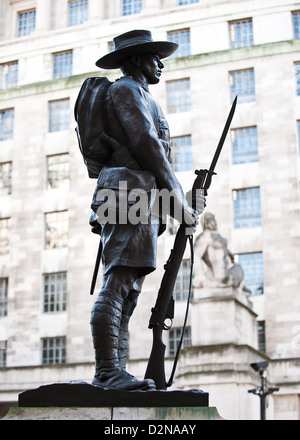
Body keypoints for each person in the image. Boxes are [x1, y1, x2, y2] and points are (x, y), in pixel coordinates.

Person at [88, 30, 205, 391]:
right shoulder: (126, 89)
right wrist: (179, 202)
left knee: (131, 290)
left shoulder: (143, 95)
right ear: (137, 59)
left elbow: (155, 153)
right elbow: (146, 144)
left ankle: (116, 371)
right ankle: (108, 371)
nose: (161, 64)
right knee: (118, 282)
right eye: (155, 57)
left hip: (140, 195)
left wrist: (176, 203)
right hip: (125, 190)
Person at [193, 212, 251, 292]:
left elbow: (222, 250)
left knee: (238, 268)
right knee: (239, 269)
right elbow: (195, 256)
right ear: (206, 223)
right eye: (211, 220)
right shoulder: (205, 237)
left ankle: (240, 288)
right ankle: (240, 287)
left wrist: (229, 253)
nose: (214, 222)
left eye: (214, 220)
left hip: (227, 273)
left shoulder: (216, 236)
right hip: (219, 276)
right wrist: (200, 276)